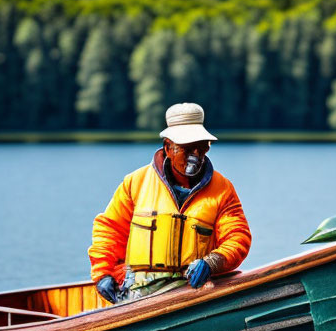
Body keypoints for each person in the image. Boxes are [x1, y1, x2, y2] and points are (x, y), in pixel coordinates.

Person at [89, 103, 251, 303]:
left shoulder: (223, 189)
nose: (196, 156)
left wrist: (211, 263)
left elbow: (238, 237)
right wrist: (103, 273)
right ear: (168, 148)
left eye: (202, 147)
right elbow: (110, 230)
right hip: (138, 293)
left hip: (193, 293)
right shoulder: (135, 183)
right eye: (187, 149)